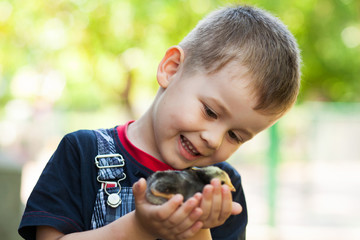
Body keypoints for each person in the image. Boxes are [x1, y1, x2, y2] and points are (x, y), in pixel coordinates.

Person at [18, 4, 301, 240]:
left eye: (235, 136)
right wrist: (139, 228)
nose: (213, 139)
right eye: (210, 112)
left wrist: (199, 227)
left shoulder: (222, 188)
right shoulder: (82, 152)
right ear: (172, 69)